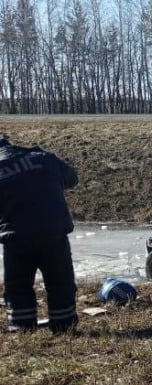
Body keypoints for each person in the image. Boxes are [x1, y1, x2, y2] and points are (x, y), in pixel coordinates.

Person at [0, 136, 79, 333]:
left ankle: (22, 328)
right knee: (60, 281)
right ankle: (64, 326)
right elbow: (72, 178)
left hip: (16, 237)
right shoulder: (44, 157)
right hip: (54, 231)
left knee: (18, 285)